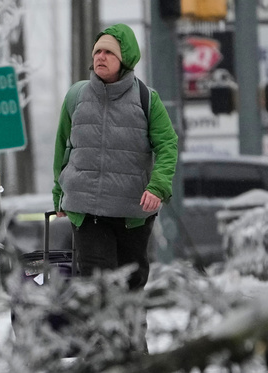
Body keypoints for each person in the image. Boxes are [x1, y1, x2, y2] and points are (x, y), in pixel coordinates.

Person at [53, 23, 179, 292]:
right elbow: (63, 147)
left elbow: (167, 146)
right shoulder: (76, 96)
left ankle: (132, 335)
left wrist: (157, 187)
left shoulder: (147, 99)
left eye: (108, 53)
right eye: (97, 51)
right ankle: (103, 335)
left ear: (125, 59)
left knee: (130, 289)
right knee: (99, 288)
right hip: (87, 211)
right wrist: (59, 193)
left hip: (133, 214)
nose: (100, 57)